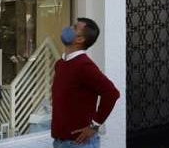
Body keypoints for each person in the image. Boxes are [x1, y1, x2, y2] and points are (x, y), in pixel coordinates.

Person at [51, 18, 119, 148]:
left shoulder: (84, 65)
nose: (69, 28)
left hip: (79, 144)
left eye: (75, 27)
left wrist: (94, 125)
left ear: (80, 39)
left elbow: (111, 93)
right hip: (60, 142)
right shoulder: (60, 64)